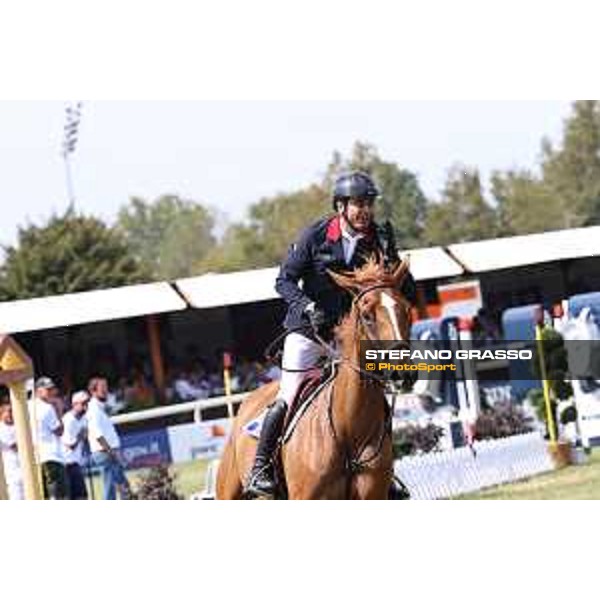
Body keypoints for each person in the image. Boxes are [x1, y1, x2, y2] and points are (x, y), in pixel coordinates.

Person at [245, 171, 417, 499]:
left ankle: (386, 474)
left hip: (350, 335)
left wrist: (394, 262)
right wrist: (308, 306)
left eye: (369, 204)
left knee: (373, 395)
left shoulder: (377, 238)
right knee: (288, 395)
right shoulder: (316, 235)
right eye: (358, 204)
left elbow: (396, 287)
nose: (365, 210)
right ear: (341, 206)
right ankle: (261, 468)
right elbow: (283, 281)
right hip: (309, 331)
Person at [86, 377, 131, 500]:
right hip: (105, 452)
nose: (106, 390)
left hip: (107, 451)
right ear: (93, 391)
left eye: (106, 387)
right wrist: (111, 451)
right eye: (103, 388)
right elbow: (97, 434)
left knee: (121, 486)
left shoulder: (100, 407)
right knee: (112, 488)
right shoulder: (93, 410)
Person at [31, 377, 68, 499]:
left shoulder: (27, 405)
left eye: (52, 389)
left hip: (35, 458)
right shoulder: (47, 408)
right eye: (48, 390)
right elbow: (59, 431)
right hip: (51, 456)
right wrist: (59, 410)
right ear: (38, 391)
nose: (52, 393)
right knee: (59, 496)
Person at [61, 390, 90, 500]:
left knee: (80, 496)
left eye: (87, 403)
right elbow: (70, 445)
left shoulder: (84, 419)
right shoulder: (68, 420)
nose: (85, 406)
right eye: (83, 404)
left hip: (75, 462)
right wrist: (80, 436)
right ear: (74, 404)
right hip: (67, 463)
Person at [0, 393, 24, 500]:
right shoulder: (1, 428)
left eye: (13, 411)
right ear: (1, 413)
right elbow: (16, 446)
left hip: (24, 470)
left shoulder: (19, 425)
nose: (11, 414)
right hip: (11, 474)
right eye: (8, 412)